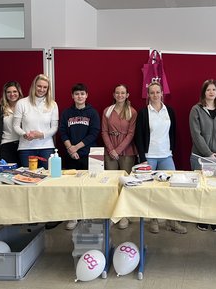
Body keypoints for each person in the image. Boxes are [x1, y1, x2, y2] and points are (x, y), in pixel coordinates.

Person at [135, 82, 186, 234]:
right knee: (151, 190)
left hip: (166, 156)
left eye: (158, 92)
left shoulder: (169, 111)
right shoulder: (144, 113)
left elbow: (174, 132)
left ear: (162, 93)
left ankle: (172, 221)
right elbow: (138, 136)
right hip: (149, 157)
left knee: (172, 189)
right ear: (148, 95)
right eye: (152, 93)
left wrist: (171, 150)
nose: (155, 95)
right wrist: (143, 157)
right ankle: (154, 220)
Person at [189, 79, 216, 232]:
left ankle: (215, 218)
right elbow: (196, 134)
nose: (211, 92)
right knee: (202, 189)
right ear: (204, 92)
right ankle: (202, 218)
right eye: (208, 90)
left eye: (214, 89)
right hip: (200, 157)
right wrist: (208, 154)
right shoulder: (196, 110)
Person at [60, 83, 100, 230]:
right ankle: (73, 217)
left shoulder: (93, 113)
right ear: (72, 96)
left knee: (89, 186)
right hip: (71, 155)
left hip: (88, 155)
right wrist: (70, 148)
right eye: (77, 94)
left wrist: (76, 147)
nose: (79, 96)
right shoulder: (66, 113)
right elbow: (62, 131)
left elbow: (94, 133)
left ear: (86, 95)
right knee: (72, 187)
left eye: (82, 94)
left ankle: (88, 215)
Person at [101, 84, 137, 230]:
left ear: (127, 95)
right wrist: (111, 149)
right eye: (118, 93)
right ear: (114, 94)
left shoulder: (132, 112)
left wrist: (119, 149)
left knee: (125, 184)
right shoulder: (107, 111)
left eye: (123, 93)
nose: (120, 95)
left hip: (127, 151)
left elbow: (131, 133)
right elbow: (104, 131)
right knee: (112, 184)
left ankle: (124, 215)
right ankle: (112, 214)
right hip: (110, 151)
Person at [13, 74, 58, 170]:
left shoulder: (53, 104)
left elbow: (54, 127)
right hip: (26, 148)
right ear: (34, 86)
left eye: (45, 87)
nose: (42, 89)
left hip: (46, 147)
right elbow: (16, 126)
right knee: (28, 178)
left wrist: (41, 135)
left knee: (47, 178)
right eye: (39, 86)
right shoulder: (21, 103)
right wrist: (25, 134)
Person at [0, 81, 23, 165]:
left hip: (23, 146)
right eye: (8, 92)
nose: (12, 94)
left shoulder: (25, 108)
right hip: (6, 147)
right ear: (5, 94)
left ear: (19, 92)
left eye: (14, 91)